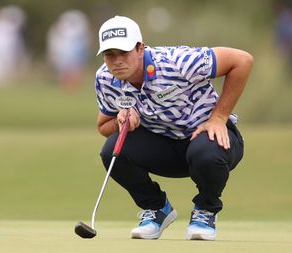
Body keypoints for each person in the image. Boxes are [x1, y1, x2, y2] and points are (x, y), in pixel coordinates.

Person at [94, 16, 253, 240]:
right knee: (111, 150)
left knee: (205, 153)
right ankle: (157, 210)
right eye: (110, 54)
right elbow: (104, 126)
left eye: (124, 53)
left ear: (141, 48)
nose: (117, 61)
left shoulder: (178, 61)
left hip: (212, 141)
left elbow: (242, 61)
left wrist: (218, 117)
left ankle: (205, 210)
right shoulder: (105, 79)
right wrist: (122, 121)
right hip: (164, 147)